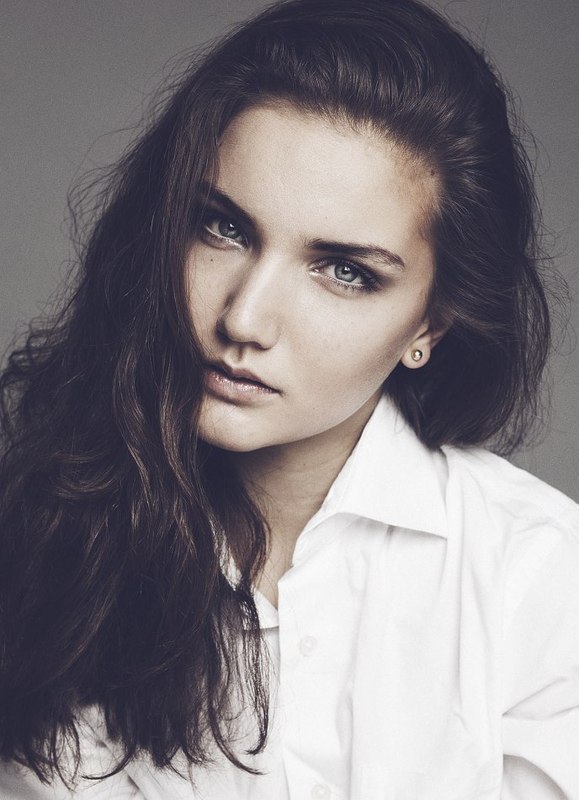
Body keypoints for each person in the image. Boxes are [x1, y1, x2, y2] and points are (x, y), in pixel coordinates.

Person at [0, 0, 578, 797]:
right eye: (222, 228)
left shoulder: (540, 579)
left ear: (430, 323)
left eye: (344, 271)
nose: (244, 319)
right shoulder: (38, 536)